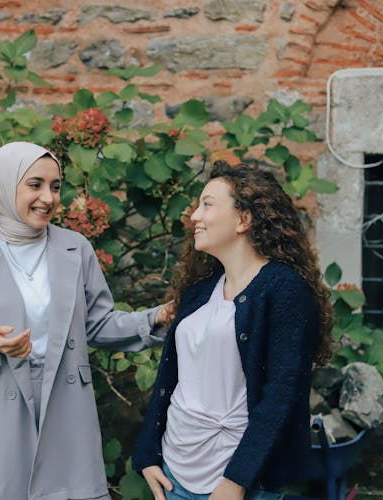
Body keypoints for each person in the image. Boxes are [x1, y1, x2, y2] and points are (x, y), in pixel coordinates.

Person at [0, 141, 172, 500]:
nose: (48, 198)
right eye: (35, 185)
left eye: (55, 186)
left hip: (65, 400)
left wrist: (156, 317)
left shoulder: (76, 248)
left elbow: (98, 324)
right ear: (4, 186)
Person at [132, 161, 333, 500]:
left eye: (207, 204)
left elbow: (282, 393)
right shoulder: (200, 291)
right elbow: (171, 380)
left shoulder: (283, 289)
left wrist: (236, 480)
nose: (194, 215)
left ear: (244, 219)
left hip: (237, 481)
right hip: (174, 472)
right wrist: (148, 455)